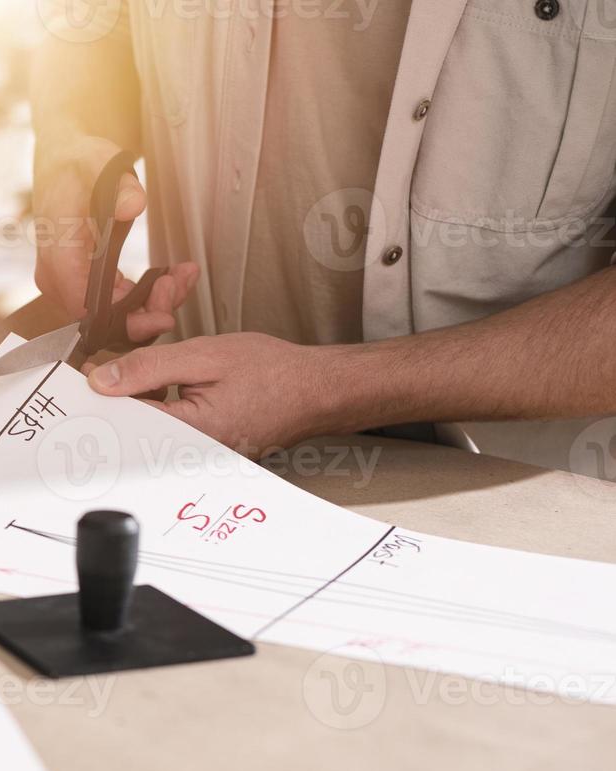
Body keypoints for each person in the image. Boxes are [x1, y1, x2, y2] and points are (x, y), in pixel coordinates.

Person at [32, 3, 616, 463]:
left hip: (520, 524)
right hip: (189, 465)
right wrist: (69, 134)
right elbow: (97, 27)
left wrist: (323, 389)